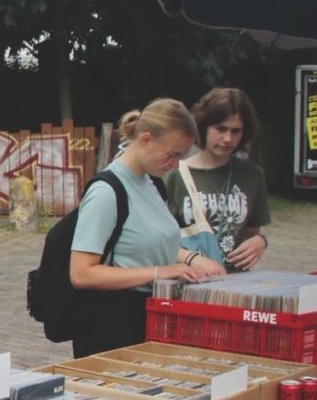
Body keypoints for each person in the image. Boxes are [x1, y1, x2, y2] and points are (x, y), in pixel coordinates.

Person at [70, 98, 224, 358]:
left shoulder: (153, 184)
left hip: (151, 319)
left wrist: (193, 259)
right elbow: (82, 274)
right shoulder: (106, 192)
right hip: (113, 329)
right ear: (146, 139)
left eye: (181, 156)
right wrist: (159, 272)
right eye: (172, 154)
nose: (175, 165)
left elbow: (147, 241)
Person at [164, 87, 271, 272]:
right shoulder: (175, 175)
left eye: (236, 131)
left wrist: (260, 242)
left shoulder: (253, 175)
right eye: (220, 129)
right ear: (203, 126)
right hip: (188, 281)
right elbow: (157, 242)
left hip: (236, 286)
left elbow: (253, 231)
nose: (228, 138)